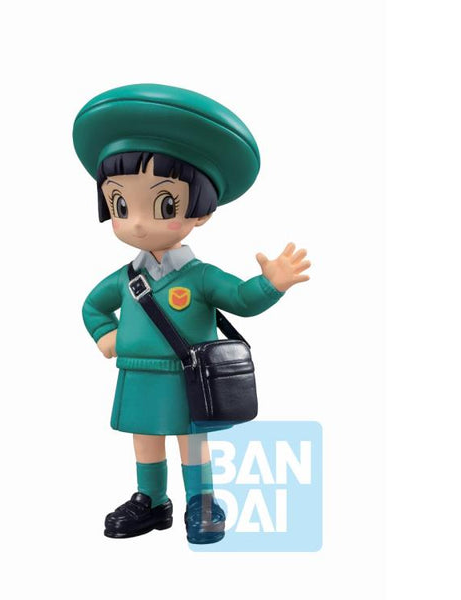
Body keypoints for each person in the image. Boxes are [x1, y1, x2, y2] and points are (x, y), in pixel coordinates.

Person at [73, 84, 310, 544]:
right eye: (121, 204)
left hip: (187, 376)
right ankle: (151, 500)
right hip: (138, 373)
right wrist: (107, 336)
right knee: (144, 437)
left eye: (164, 204)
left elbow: (241, 298)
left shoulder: (200, 277)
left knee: (192, 441)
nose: (137, 221)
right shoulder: (126, 278)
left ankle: (201, 500)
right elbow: (92, 305)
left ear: (201, 211)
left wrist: (271, 283)